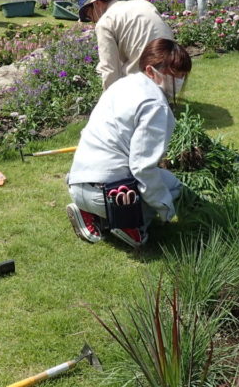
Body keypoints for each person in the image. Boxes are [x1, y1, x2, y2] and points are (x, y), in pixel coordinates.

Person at [66, 38, 192, 249]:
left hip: (78, 182)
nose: (179, 80)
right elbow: (142, 167)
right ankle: (128, 222)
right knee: (174, 189)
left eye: (182, 75)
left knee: (165, 182)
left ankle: (89, 213)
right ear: (151, 70)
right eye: (174, 74)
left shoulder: (122, 84)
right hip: (110, 193)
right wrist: (167, 210)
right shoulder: (154, 104)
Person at [77, 0, 174, 91]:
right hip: (174, 73)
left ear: (97, 3)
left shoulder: (105, 22)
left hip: (145, 85)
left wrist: (110, 102)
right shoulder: (143, 3)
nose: (93, 21)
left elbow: (109, 69)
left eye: (90, 16)